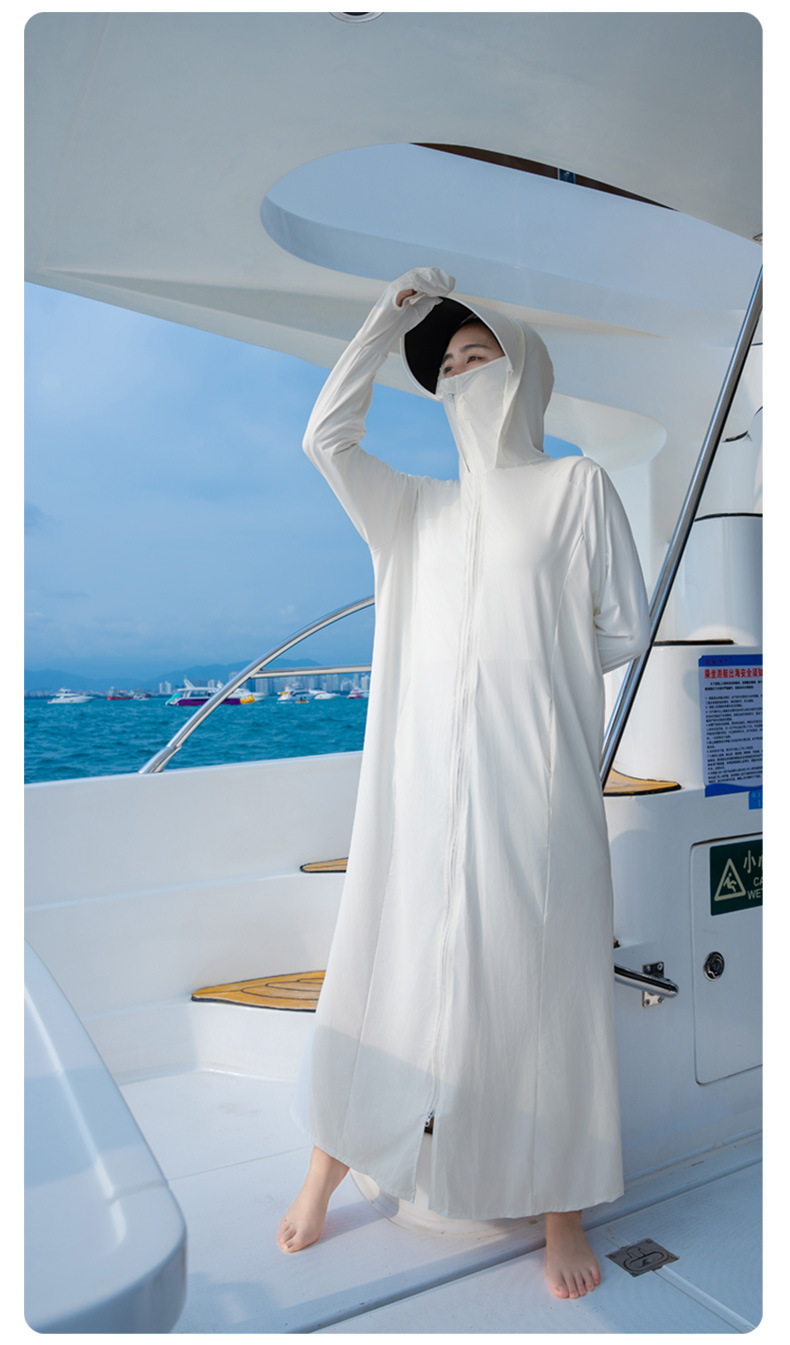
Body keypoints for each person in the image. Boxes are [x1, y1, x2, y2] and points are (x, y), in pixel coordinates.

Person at [278, 268, 650, 1301]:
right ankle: (329, 1162)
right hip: (422, 787)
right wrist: (380, 323)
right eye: (444, 367)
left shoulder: (576, 487)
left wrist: (530, 671)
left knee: (549, 986)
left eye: (479, 354)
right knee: (386, 964)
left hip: (536, 785)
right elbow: (324, 441)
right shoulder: (414, 510)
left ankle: (561, 1205)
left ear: (524, 368)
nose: (461, 374)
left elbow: (622, 624)